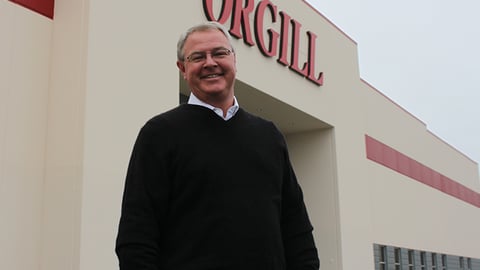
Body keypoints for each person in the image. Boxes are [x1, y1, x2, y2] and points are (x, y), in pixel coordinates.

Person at [115, 21, 320, 270]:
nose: (210, 63)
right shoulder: (159, 134)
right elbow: (136, 237)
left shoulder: (269, 135)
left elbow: (296, 228)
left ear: (234, 60)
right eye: (198, 57)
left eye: (220, 53)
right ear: (183, 68)